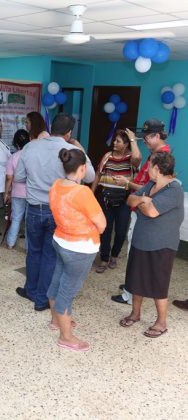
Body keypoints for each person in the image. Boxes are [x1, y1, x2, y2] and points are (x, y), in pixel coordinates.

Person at [15, 113, 95, 311]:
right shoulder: (72, 150)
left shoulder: (30, 147)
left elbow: (19, 177)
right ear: (69, 133)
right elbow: (90, 176)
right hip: (59, 211)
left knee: (33, 251)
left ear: (51, 127)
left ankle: (30, 290)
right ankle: (42, 299)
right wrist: (81, 149)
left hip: (34, 208)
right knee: (50, 254)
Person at [119, 152, 183, 338]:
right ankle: (135, 313)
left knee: (158, 285)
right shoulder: (151, 184)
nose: (147, 169)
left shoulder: (174, 190)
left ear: (156, 168)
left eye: (149, 166)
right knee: (135, 280)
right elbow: (130, 200)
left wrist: (144, 202)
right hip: (141, 240)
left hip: (162, 245)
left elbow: (151, 212)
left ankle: (161, 323)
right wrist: (143, 200)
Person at [48, 148, 106, 351]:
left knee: (57, 281)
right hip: (79, 248)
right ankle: (66, 337)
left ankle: (56, 321)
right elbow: (102, 225)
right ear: (82, 168)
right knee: (67, 291)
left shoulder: (56, 185)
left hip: (60, 241)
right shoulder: (82, 192)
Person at [111, 119, 171, 305]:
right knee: (134, 252)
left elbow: (149, 188)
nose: (143, 140)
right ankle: (132, 287)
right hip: (139, 208)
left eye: (146, 136)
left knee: (134, 253)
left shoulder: (160, 157)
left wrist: (128, 183)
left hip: (143, 210)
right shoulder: (157, 154)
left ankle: (130, 295)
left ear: (156, 136)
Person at [91, 129, 141, 273]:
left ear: (126, 144)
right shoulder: (107, 156)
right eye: (114, 140)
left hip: (124, 200)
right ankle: (104, 259)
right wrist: (91, 193)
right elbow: (98, 174)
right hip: (105, 198)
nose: (114, 143)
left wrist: (132, 140)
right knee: (105, 230)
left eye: (118, 141)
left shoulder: (131, 159)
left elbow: (137, 158)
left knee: (120, 231)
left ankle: (114, 256)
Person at [4, 129, 30, 249]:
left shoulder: (13, 157)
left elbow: (9, 177)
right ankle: (28, 248)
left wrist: (6, 193)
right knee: (29, 222)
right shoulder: (32, 155)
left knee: (15, 218)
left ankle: (10, 243)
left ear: (16, 143)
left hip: (17, 193)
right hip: (31, 193)